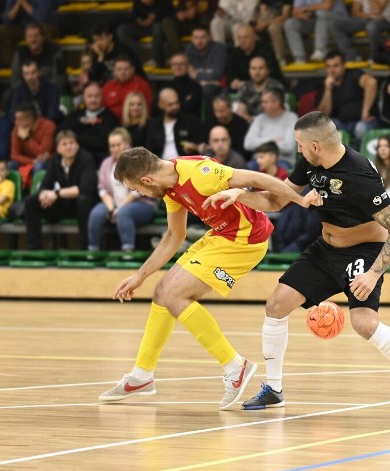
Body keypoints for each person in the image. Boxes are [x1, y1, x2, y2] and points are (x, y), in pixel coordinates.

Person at [203, 111, 390, 415]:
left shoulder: (360, 175)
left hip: (363, 251)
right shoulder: (312, 163)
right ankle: (274, 390)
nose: (299, 151)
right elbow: (278, 200)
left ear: (316, 145)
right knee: (276, 305)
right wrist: (241, 195)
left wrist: (372, 275)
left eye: (301, 146)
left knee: (364, 323)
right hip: (324, 250)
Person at [98, 146, 316, 410]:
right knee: (161, 291)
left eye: (136, 189)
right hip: (221, 236)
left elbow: (257, 180)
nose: (139, 194)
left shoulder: (200, 174)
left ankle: (235, 366)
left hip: (245, 241)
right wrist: (140, 276)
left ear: (147, 180)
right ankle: (142, 374)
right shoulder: (169, 188)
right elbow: (173, 236)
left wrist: (298, 199)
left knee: (174, 295)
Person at [23, 130, 98, 250]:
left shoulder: (86, 159)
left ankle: (83, 248)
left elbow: (85, 188)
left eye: (72, 143)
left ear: (77, 145)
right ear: (58, 148)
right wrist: (44, 195)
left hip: (81, 206)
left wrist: (56, 194)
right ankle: (34, 247)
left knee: (83, 200)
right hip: (62, 204)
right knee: (31, 202)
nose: (69, 146)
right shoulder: (55, 160)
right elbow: (45, 185)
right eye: (64, 144)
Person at [88, 128, 157, 254]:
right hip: (114, 204)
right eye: (112, 146)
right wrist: (110, 209)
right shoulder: (106, 163)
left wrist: (118, 209)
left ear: (127, 144)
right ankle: (93, 251)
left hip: (143, 204)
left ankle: (127, 250)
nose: (115, 148)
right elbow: (102, 190)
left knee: (123, 213)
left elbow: (137, 191)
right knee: (96, 214)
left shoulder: (138, 162)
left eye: (118, 145)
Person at [315, 51, 378, 144]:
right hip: (341, 123)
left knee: (361, 128)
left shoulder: (353, 74)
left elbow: (371, 83)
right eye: (329, 67)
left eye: (336, 66)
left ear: (344, 66)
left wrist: (366, 112)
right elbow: (323, 114)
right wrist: (328, 90)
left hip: (362, 121)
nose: (332, 70)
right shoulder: (324, 85)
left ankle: (359, 157)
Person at [61, 82, 119, 164]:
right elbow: (60, 131)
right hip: (73, 158)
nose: (93, 100)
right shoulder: (77, 115)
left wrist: (75, 137)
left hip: (98, 160)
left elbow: (102, 142)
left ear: (102, 97)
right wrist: (80, 121)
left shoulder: (110, 118)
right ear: (84, 98)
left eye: (96, 96)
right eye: (89, 96)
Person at [243, 86, 298, 168]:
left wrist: (260, 143)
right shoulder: (259, 119)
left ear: (277, 103)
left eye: (265, 102)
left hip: (282, 161)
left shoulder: (291, 118)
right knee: (247, 168)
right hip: (259, 161)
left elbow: (288, 147)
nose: (262, 105)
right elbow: (248, 144)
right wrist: (273, 139)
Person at [145, 87, 205, 160]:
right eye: (170, 104)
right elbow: (149, 150)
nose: (175, 107)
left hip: (185, 165)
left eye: (176, 103)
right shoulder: (154, 124)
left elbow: (202, 146)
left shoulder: (191, 121)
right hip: (160, 165)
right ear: (161, 105)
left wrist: (194, 147)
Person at [117, 0, 179, 68]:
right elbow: (134, 15)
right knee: (122, 30)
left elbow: (170, 17)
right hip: (140, 27)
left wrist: (154, 18)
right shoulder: (138, 2)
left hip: (158, 27)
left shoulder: (164, 2)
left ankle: (155, 59)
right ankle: (141, 55)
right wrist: (138, 20)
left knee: (158, 27)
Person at [330, 0, 390, 64]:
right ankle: (351, 56)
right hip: (365, 18)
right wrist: (370, 16)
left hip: (384, 19)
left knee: (371, 27)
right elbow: (355, 12)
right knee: (335, 25)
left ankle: (377, 56)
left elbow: (377, 11)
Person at [9, 102, 55, 182]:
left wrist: (27, 139)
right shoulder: (17, 128)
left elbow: (43, 154)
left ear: (30, 119)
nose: (16, 122)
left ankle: (35, 193)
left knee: (39, 165)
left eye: (19, 119)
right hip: (27, 160)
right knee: (9, 165)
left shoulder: (48, 126)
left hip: (47, 162)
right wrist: (32, 161)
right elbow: (14, 155)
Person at [7, 59, 62, 124]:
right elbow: (12, 115)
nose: (30, 77)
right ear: (23, 76)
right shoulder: (18, 91)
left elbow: (53, 115)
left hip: (45, 126)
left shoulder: (52, 90)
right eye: (26, 74)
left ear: (39, 72)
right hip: (25, 125)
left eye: (33, 73)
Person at [284, 0, 340, 64]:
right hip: (313, 20)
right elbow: (295, 12)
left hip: (335, 19)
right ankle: (299, 58)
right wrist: (301, 15)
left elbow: (327, 6)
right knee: (290, 23)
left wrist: (306, 8)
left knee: (322, 13)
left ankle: (320, 50)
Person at [103, 55, 154, 122]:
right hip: (111, 123)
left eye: (126, 69)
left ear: (133, 70)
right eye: (119, 69)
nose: (122, 72)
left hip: (134, 123)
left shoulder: (142, 85)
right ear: (114, 71)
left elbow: (147, 109)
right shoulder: (108, 86)